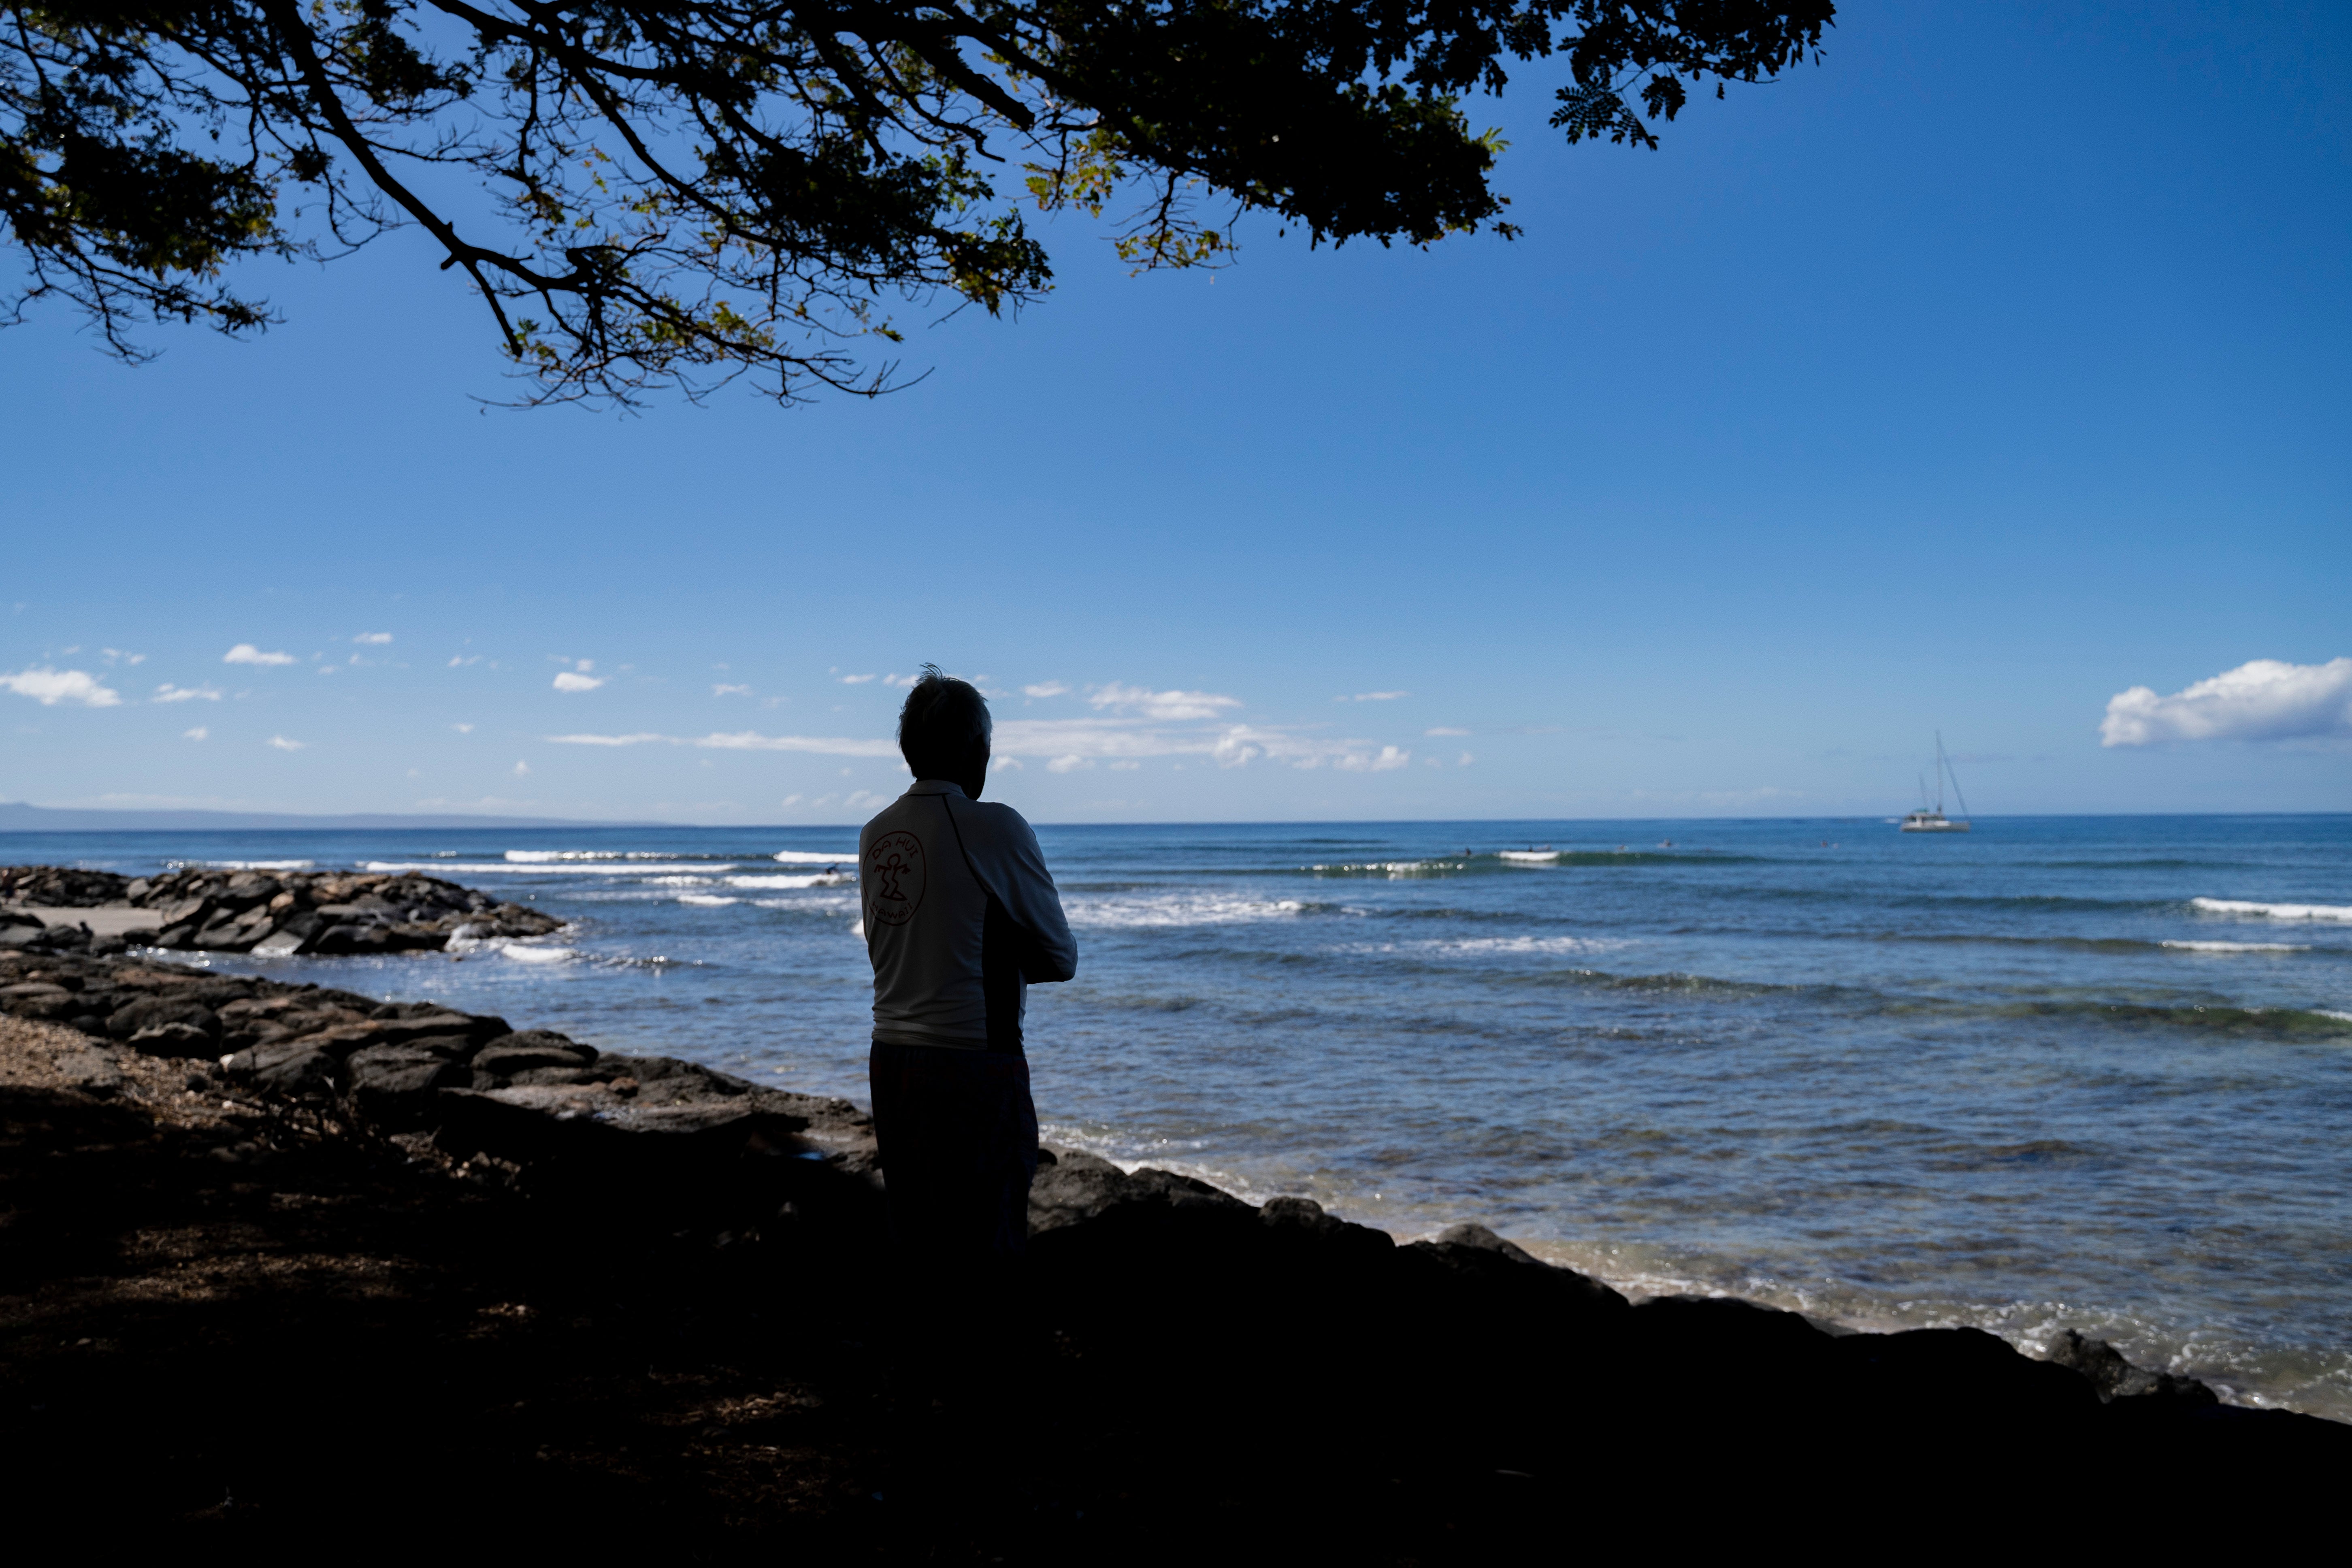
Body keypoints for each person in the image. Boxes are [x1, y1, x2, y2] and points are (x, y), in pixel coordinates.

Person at [860, 665, 1077, 1263]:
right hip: (975, 1061)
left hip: (892, 1053)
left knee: (918, 1239)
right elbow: (1061, 958)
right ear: (975, 750)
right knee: (988, 1244)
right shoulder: (996, 826)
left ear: (909, 750)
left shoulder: (875, 832)